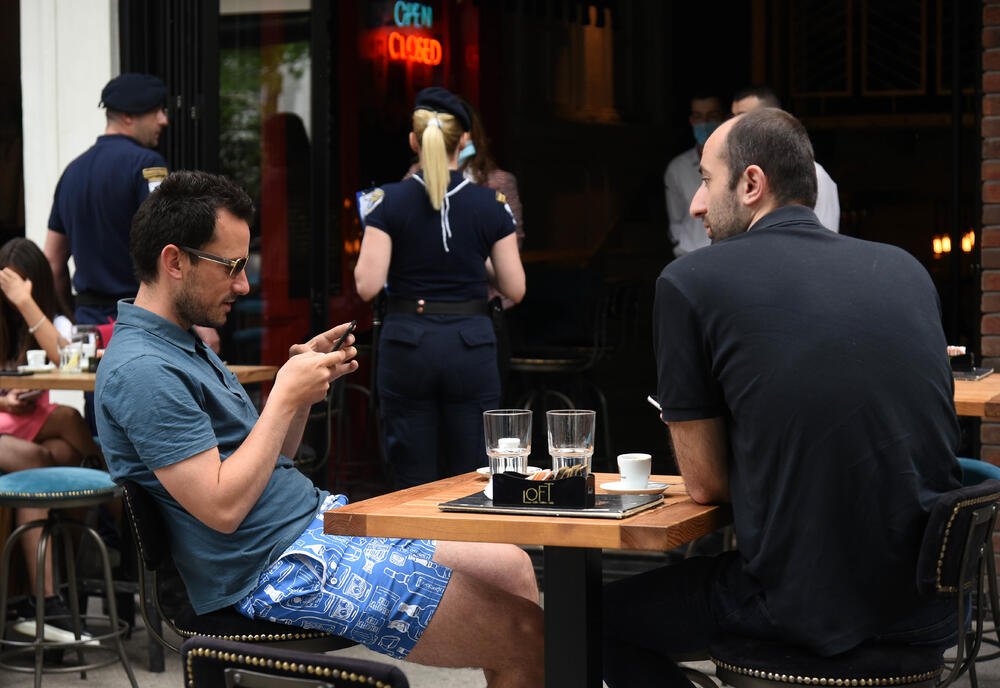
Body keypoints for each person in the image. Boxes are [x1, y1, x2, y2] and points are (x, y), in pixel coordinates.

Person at [96, 170, 543, 686]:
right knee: (528, 635)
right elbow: (221, 508)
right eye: (232, 266)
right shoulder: (143, 370)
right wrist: (283, 394)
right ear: (174, 260)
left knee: (510, 566)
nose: (244, 284)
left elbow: (268, 462)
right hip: (273, 567)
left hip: (313, 525)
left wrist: (299, 394)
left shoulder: (181, 341)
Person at [603, 109, 961, 687]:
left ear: (750, 184)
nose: (695, 204)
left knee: (588, 620)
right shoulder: (906, 269)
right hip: (925, 609)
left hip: (797, 607)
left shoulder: (691, 282)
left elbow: (706, 485)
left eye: (705, 179)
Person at [355, 87, 526, 488]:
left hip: (408, 344)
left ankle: (416, 551)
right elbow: (515, 288)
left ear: (414, 140)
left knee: (410, 473)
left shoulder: (386, 200)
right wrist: (470, 256)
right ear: (464, 140)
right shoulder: (491, 203)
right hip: (470, 345)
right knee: (472, 473)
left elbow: (367, 286)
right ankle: (470, 552)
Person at [43, 72, 219, 352]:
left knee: (98, 396)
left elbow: (52, 263)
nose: (164, 120)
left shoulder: (72, 172)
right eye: (156, 112)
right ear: (127, 116)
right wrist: (198, 317)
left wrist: (74, 315)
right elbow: (167, 238)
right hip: (141, 323)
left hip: (89, 326)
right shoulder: (147, 164)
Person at [0, 238, 103, 641]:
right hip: (10, 429)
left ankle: (49, 597)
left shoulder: (50, 321)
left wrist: (27, 306)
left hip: (31, 424)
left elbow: (68, 362)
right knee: (50, 457)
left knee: (64, 434)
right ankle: (49, 594)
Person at [730, 84, 840, 232]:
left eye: (743, 118)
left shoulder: (814, 175)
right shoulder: (740, 170)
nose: (732, 126)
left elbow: (823, 240)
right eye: (733, 118)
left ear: (773, 119)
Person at [663, 94, 725, 257]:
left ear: (724, 118)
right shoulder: (677, 168)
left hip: (726, 256)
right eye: (698, 116)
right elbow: (676, 221)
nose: (704, 122)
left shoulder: (736, 163)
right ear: (691, 120)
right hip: (688, 255)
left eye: (712, 116)